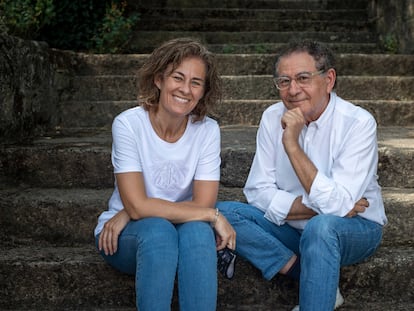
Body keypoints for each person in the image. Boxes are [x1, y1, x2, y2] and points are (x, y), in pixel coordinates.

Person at [217, 39, 387, 311]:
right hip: (293, 230)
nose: (293, 90)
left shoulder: (358, 123)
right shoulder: (272, 116)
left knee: (322, 228)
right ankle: (321, 282)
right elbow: (256, 192)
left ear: (329, 79)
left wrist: (292, 145)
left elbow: (335, 210)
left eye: (303, 78)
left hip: (356, 230)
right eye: (284, 81)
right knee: (222, 213)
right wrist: (321, 207)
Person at [94, 37, 236, 311]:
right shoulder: (128, 124)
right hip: (124, 237)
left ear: (204, 90)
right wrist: (212, 216)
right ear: (159, 79)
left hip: (182, 228)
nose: (186, 89)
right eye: (177, 78)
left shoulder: (207, 130)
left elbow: (202, 204)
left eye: (196, 82)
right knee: (161, 232)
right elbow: (203, 210)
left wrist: (139, 208)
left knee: (197, 232)